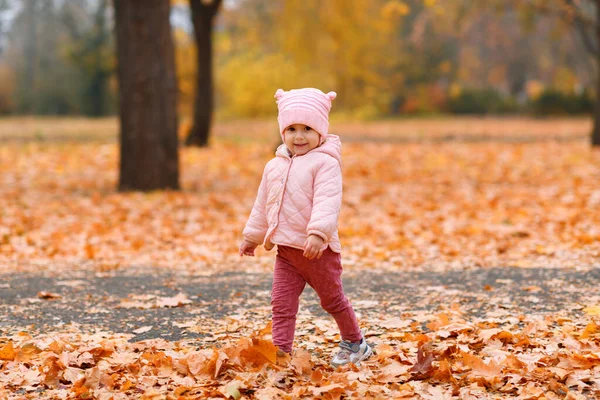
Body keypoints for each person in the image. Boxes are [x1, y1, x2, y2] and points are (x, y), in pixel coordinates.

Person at [239, 88, 372, 367]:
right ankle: (281, 352)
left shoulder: (325, 163)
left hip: (318, 252)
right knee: (281, 305)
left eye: (307, 129)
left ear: (321, 131)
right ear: (282, 131)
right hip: (286, 252)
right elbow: (264, 203)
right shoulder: (273, 166)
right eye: (291, 129)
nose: (299, 137)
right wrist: (252, 236)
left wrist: (317, 233)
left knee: (333, 300)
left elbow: (327, 200)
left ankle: (355, 342)